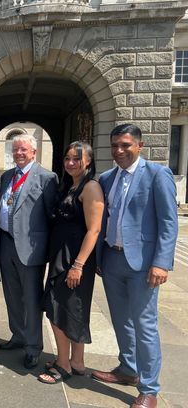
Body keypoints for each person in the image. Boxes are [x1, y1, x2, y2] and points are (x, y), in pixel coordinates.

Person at [91, 124, 178, 408]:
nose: (119, 151)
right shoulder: (106, 178)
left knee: (145, 325)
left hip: (143, 265)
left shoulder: (157, 175)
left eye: (125, 145)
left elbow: (168, 222)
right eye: (114, 145)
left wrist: (161, 263)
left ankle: (149, 389)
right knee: (121, 321)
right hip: (113, 260)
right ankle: (128, 369)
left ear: (140, 145)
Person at [37, 142, 104, 384]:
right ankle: (77, 362)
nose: (71, 162)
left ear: (88, 161)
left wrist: (77, 266)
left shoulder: (91, 187)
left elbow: (94, 230)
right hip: (62, 256)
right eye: (67, 158)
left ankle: (63, 364)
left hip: (74, 259)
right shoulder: (71, 185)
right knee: (72, 310)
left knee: (59, 309)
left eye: (77, 158)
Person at [0, 134, 58, 369]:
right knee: (11, 295)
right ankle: (18, 335)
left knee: (31, 300)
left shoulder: (46, 178)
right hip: (6, 243)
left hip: (30, 249)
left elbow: (52, 216)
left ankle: (33, 347)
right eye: (16, 150)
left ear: (34, 152)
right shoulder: (7, 177)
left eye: (24, 150)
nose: (19, 154)